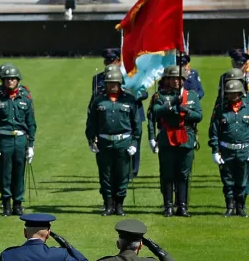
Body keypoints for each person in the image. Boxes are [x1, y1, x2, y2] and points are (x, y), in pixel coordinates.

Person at [147, 65, 202, 217]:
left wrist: (186, 111)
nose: (176, 82)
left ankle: (182, 206)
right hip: (167, 138)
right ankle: (168, 206)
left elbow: (199, 115)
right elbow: (155, 113)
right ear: (167, 80)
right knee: (167, 173)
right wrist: (171, 104)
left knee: (183, 174)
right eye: (173, 79)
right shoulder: (160, 96)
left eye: (179, 79)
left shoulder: (192, 95)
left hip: (186, 138)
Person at [86, 65, 138, 216]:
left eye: (115, 83)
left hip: (123, 142)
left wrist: (134, 143)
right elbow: (91, 123)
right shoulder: (99, 100)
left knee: (122, 175)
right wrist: (91, 140)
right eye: (110, 83)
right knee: (106, 175)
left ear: (120, 83)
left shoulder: (129, 100)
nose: (113, 86)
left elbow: (136, 125)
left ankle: (119, 205)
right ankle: (108, 205)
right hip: (104, 142)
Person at [0, 64, 36, 216]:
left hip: (20, 139)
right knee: (4, 173)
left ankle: (18, 203)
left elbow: (31, 122)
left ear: (17, 80)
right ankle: (6, 203)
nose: (10, 82)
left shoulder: (25, 97)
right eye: (7, 79)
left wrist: (31, 145)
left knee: (19, 172)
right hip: (4, 139)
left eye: (13, 79)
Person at [209, 79, 249, 217]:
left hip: (244, 150)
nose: (231, 96)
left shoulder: (247, 108)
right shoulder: (220, 109)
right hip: (226, 150)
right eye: (229, 93)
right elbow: (214, 130)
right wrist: (215, 150)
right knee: (227, 180)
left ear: (240, 93)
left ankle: (241, 206)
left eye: (234, 93)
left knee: (242, 180)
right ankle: (230, 206)